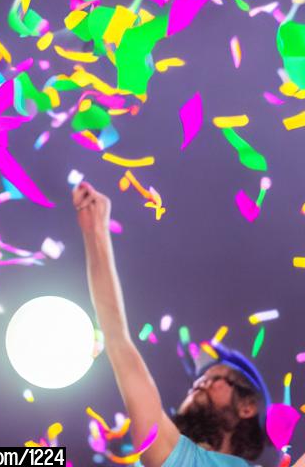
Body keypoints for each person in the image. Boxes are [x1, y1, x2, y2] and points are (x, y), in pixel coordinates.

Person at [74, 181, 269, 466]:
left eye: (216, 379)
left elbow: (117, 340)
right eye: (201, 379)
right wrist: (95, 233)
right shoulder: (171, 454)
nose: (200, 383)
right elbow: (116, 338)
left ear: (248, 406)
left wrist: (97, 234)